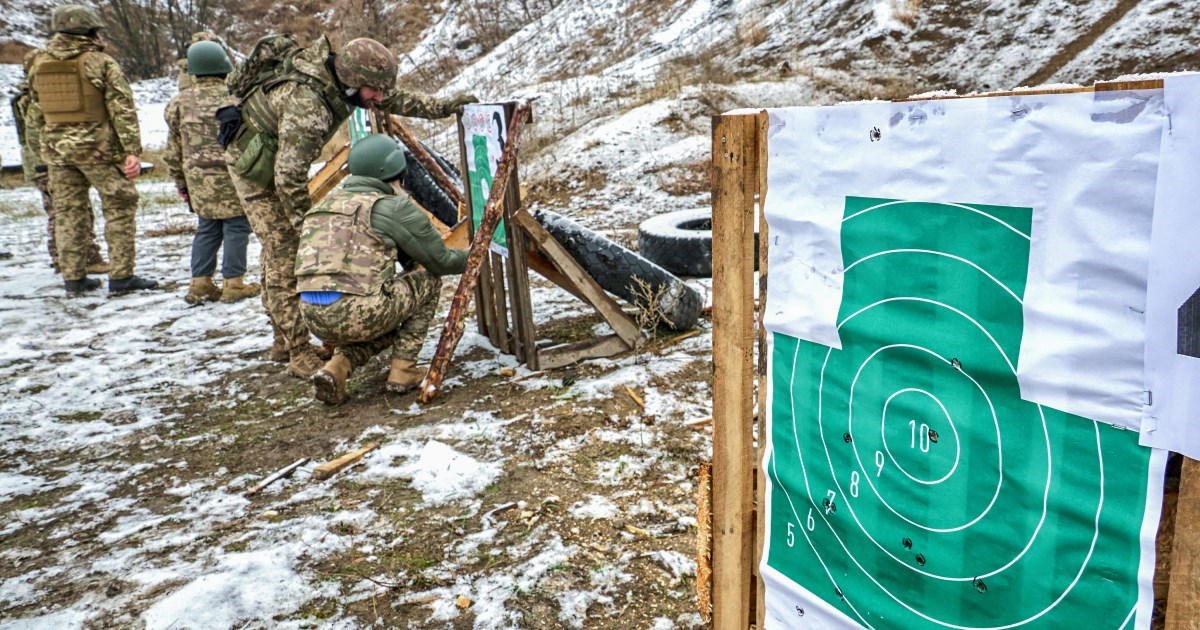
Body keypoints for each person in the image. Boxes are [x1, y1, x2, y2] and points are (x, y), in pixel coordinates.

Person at [222, 34, 475, 377]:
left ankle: (285, 338)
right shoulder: (308, 105)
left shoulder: (347, 84)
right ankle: (297, 351)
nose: (379, 96)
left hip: (280, 163)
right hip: (256, 173)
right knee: (286, 254)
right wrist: (307, 230)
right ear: (355, 81)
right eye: (374, 90)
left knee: (284, 251)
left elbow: (392, 98)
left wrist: (444, 107)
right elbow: (287, 177)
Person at [296, 134, 467, 404]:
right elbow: (440, 262)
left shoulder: (325, 205)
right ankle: (404, 370)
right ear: (395, 173)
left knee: (371, 315)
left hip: (311, 315)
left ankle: (336, 368)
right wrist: (478, 253)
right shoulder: (392, 206)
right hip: (356, 311)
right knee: (427, 282)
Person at [24, 4, 157, 296]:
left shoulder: (35, 61)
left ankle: (74, 278)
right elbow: (122, 109)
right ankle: (122, 276)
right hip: (98, 150)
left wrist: (37, 151)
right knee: (120, 205)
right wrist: (132, 151)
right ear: (90, 31)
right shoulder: (101, 63)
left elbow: (33, 110)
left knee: (68, 212)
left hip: (56, 151)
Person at [164, 39, 261, 306]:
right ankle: (234, 284)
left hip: (198, 178)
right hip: (234, 174)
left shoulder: (179, 103)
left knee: (206, 227)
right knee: (237, 226)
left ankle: (200, 284)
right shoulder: (238, 98)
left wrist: (181, 183)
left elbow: (173, 150)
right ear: (225, 67)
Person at [12, 47, 108, 275]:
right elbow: (34, 133)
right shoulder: (34, 99)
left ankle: (74, 259)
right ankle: (70, 261)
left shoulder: (28, 96)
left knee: (67, 211)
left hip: (43, 159)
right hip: (45, 161)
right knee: (63, 212)